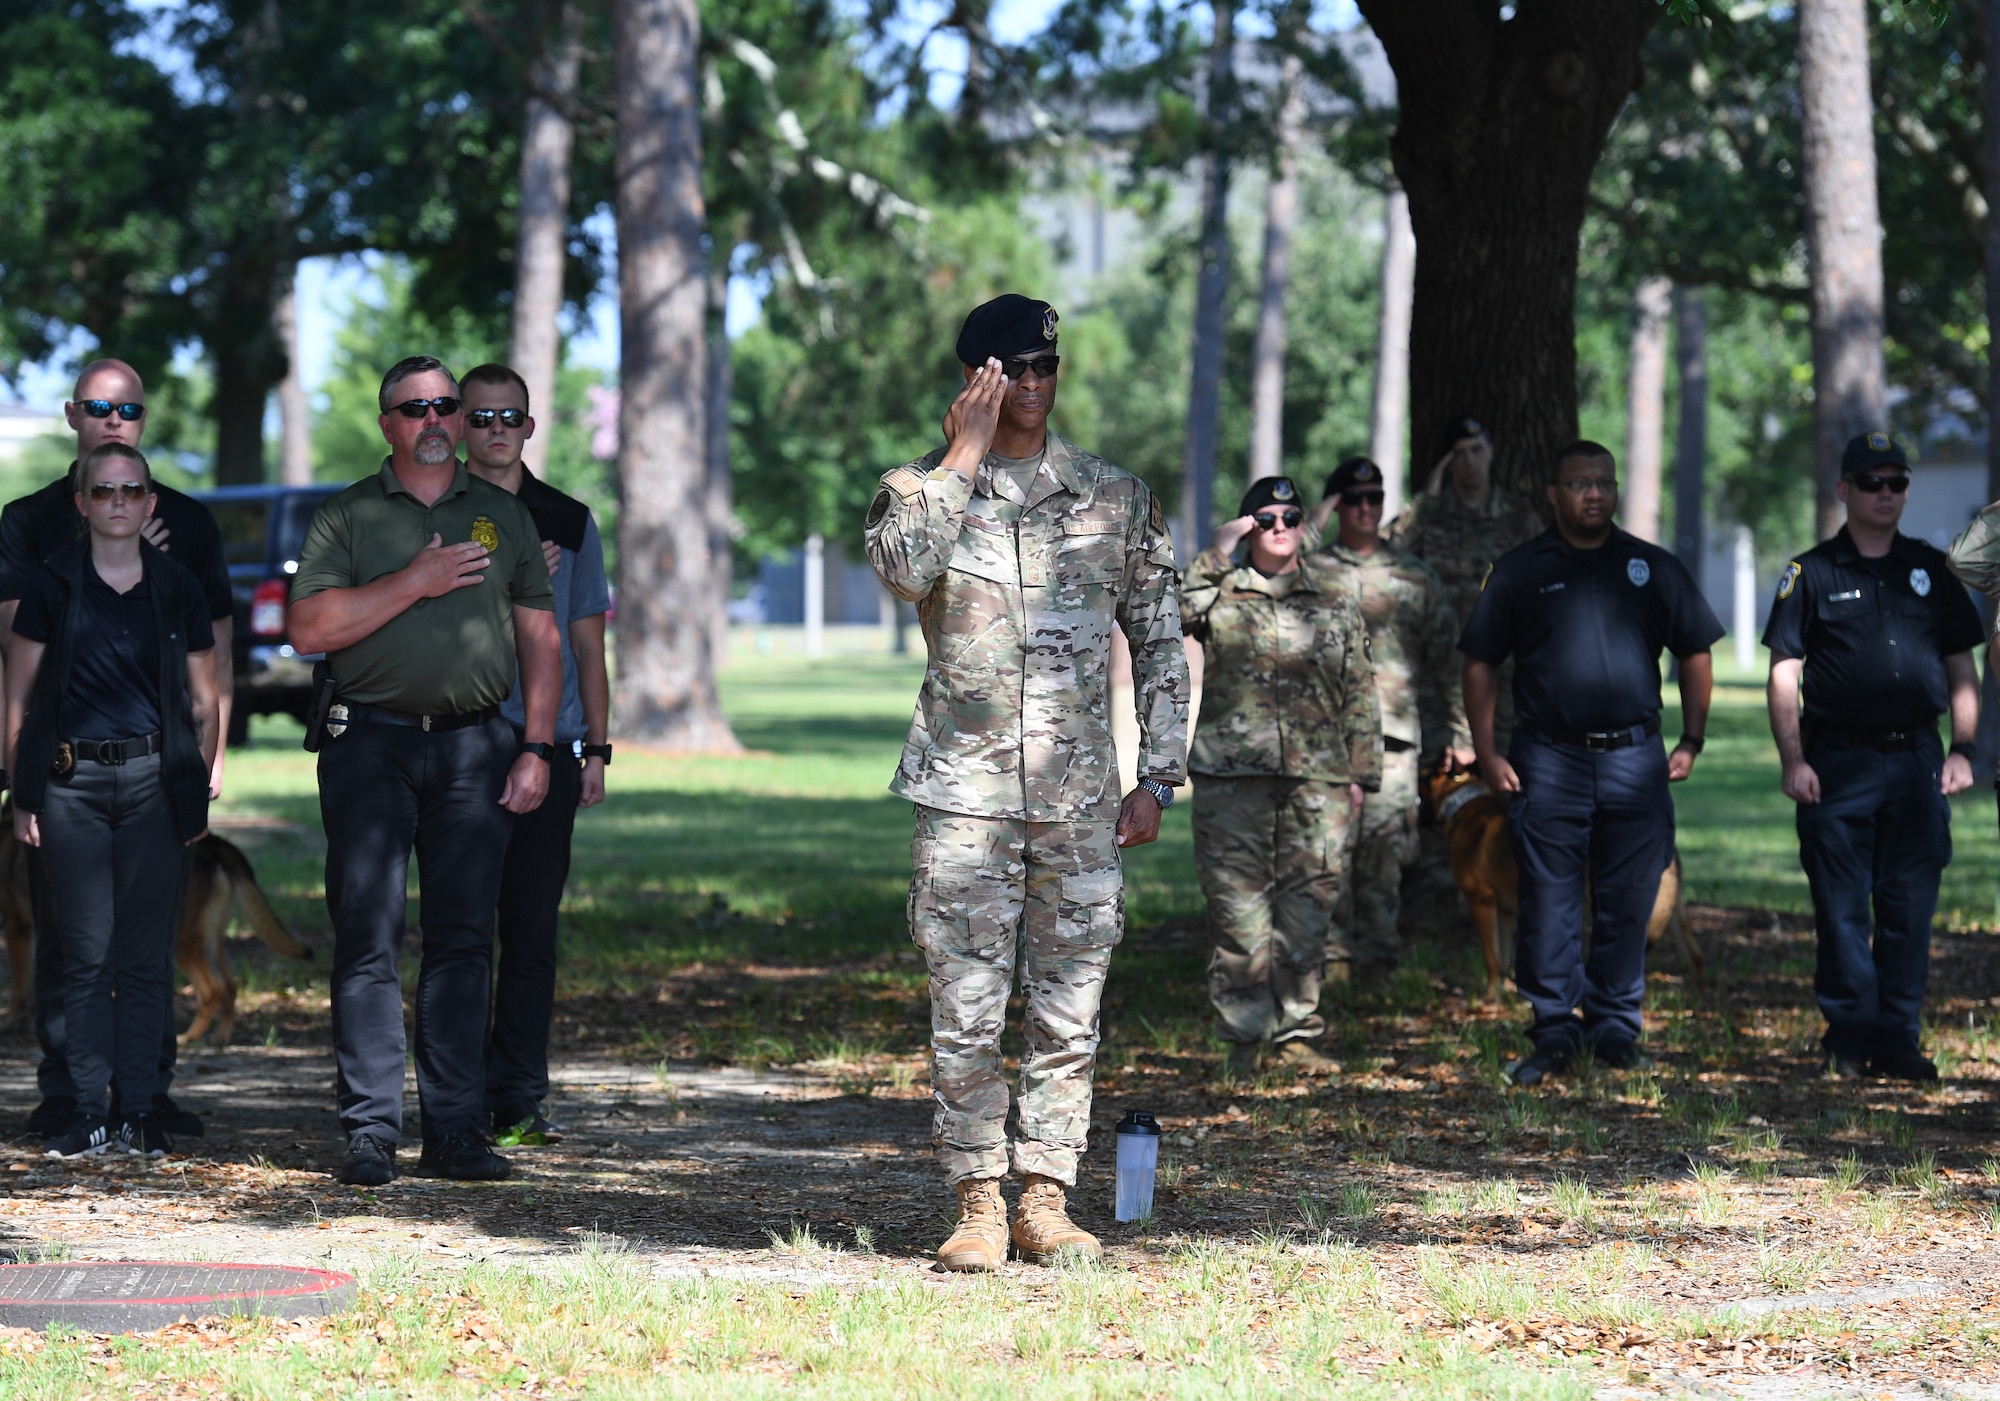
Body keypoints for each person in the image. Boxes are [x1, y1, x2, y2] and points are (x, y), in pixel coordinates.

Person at [864, 294, 1189, 1273]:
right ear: (976, 380)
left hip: (1080, 794)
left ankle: (1045, 1197)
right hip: (963, 793)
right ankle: (975, 1200)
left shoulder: (1112, 496)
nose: (1035, 387)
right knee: (963, 1001)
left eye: (1046, 368)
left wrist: (1159, 775)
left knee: (1068, 1000)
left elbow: (1162, 640)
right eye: (1014, 371)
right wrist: (961, 458)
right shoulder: (917, 488)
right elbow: (902, 571)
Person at [288, 355, 562, 1186]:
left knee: (462, 941)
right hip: (370, 747)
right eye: (415, 409)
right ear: (388, 424)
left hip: (477, 748)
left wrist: (537, 746)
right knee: (367, 935)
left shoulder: (502, 515)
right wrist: (415, 580)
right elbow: (307, 628)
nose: (435, 420)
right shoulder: (348, 515)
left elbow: (540, 640)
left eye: (447, 406)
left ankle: (454, 1129)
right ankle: (371, 1130)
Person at [0, 359, 234, 1143]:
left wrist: (210, 762)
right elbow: (17, 649)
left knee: (145, 944)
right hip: (63, 769)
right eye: (98, 406)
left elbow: (214, 660)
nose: (112, 418)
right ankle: (69, 1096)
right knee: (72, 941)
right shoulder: (31, 524)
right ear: (72, 414)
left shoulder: (191, 530)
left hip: (154, 768)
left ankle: (146, 1097)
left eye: (127, 407)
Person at [1460, 441, 1722, 1086]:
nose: (1594, 493)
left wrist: (1692, 739)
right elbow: (1479, 662)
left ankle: (1614, 1029)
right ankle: (1552, 1030)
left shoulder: (1650, 567)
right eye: (1579, 483)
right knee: (1548, 899)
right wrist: (1488, 752)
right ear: (1554, 493)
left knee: (1629, 897)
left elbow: (1695, 650)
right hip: (1547, 759)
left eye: (1603, 482)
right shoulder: (1520, 571)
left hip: (1636, 758)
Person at [1769, 433, 1980, 1080]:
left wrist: (1966, 748)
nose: (1886, 493)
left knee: (1909, 906)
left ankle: (1898, 1038)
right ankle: (1848, 1035)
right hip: (1837, 763)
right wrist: (1793, 758)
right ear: (1844, 490)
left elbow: (1960, 668)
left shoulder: (1933, 568)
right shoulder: (1811, 573)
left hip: (1917, 761)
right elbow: (1784, 673)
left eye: (1897, 482)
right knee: (1841, 907)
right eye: (1872, 482)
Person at [458, 363, 612, 1143]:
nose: (494, 430)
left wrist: (597, 747)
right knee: (460, 931)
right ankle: (455, 1098)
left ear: (529, 425)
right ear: (456, 423)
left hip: (545, 746)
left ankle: (516, 1094)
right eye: (479, 417)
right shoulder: (433, 510)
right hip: (457, 740)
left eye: (507, 416)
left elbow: (588, 639)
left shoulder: (568, 518)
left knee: (529, 931)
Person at [1184, 477, 1380, 1072]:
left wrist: (1362, 776)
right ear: (1247, 528)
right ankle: (1244, 1041)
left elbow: (1359, 694)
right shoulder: (1219, 594)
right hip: (1231, 778)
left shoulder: (1334, 601)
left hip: (1319, 780)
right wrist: (1218, 551)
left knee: (1308, 909)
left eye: (1290, 517)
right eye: (1263, 519)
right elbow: (1176, 609)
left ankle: (1296, 1035)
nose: (1278, 528)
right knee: (1237, 910)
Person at [1310, 457, 1475, 979]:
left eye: (1375, 499)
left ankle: (1380, 960)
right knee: (1324, 853)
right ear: (1337, 505)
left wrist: (1460, 731)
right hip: (1321, 738)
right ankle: (1331, 963)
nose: (1365, 509)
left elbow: (1450, 659)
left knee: (1385, 853)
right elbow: (1254, 571)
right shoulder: (1310, 570)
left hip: (1394, 737)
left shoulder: (1414, 576)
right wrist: (1315, 519)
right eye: (1352, 499)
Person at [1384, 416, 1542, 753]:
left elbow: (1543, 583)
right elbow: (1388, 557)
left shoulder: (1518, 517)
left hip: (1503, 670)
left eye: (1476, 450)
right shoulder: (1429, 517)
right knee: (1439, 775)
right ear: (1448, 462)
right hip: (1440, 671)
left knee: (1505, 768)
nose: (1470, 461)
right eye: (1459, 453)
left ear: (1492, 452)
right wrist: (1427, 501)